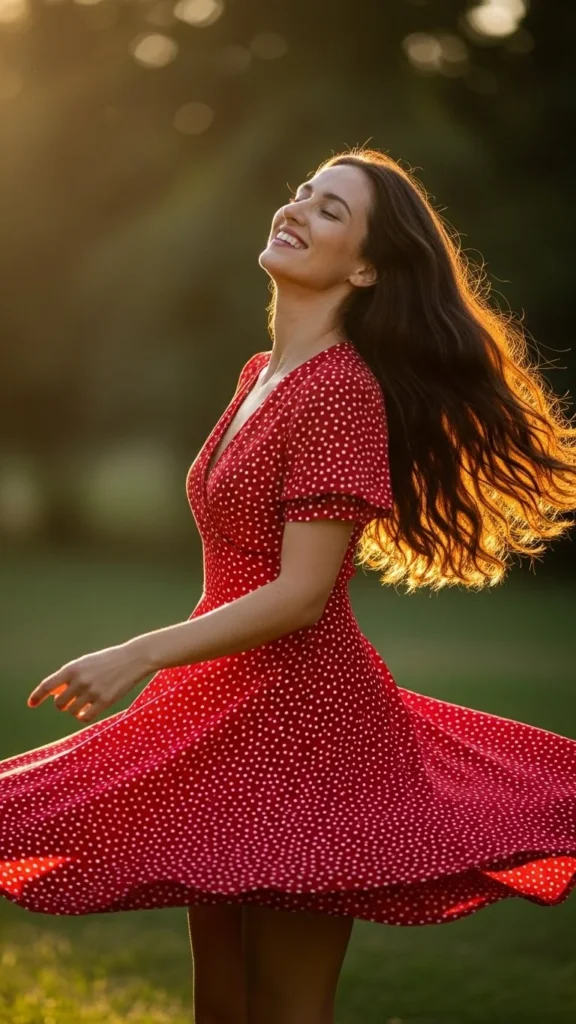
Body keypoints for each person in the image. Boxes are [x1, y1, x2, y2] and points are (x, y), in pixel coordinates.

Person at [2, 147, 576, 1024]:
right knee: (221, 1005)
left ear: (367, 266)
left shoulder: (341, 393)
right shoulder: (258, 378)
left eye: (333, 210)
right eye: (304, 192)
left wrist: (137, 654)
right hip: (218, 709)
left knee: (282, 1010)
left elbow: (303, 592)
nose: (300, 208)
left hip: (304, 725)